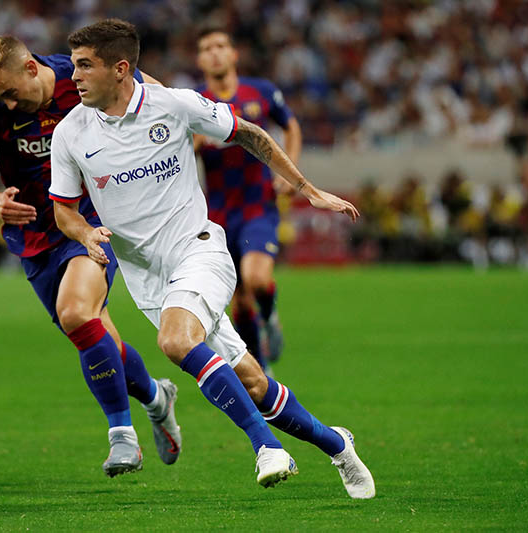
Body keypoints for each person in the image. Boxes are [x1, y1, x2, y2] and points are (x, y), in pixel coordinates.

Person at [49, 19, 375, 497]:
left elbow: (249, 133)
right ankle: (337, 445)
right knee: (253, 382)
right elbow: (63, 210)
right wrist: (85, 232)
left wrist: (307, 190)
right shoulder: (70, 133)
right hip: (148, 280)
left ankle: (266, 448)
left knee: (175, 341)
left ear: (121, 69)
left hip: (199, 250)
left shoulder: (173, 104)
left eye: (83, 66)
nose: (71, 76)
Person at [0, 36, 181, 477]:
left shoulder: (80, 74)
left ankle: (122, 437)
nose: (8, 103)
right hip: (34, 237)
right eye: (0, 97)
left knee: (77, 313)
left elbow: (151, 94)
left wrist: (192, 124)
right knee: (100, 338)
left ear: (32, 69)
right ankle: (157, 397)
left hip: (88, 219)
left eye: (12, 93)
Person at [195, 27, 303, 368]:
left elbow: (292, 127)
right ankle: (263, 367)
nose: (214, 52)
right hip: (219, 213)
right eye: (207, 48)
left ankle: (270, 318)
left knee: (257, 279)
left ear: (233, 54)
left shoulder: (261, 92)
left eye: (220, 45)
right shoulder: (195, 102)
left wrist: (290, 171)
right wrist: (195, 143)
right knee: (239, 303)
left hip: (258, 204)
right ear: (200, 60)